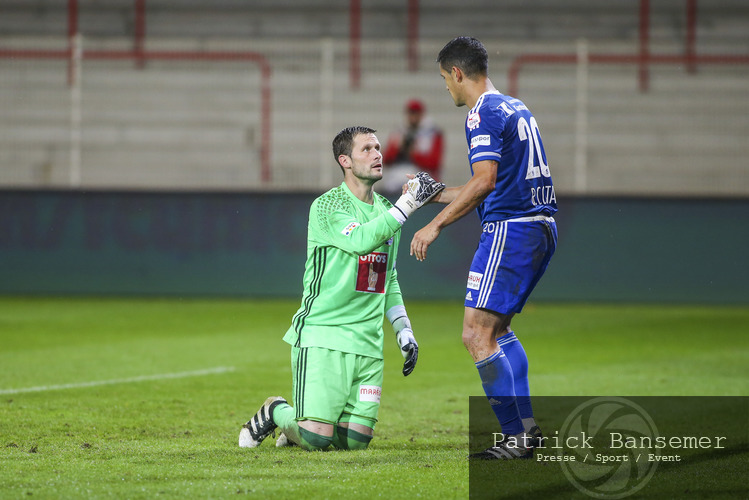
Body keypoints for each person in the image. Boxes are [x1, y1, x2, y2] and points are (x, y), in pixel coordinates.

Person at [238, 126, 444, 452]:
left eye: (378, 147)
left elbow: (386, 276)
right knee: (318, 438)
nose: (377, 154)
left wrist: (403, 329)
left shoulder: (385, 212)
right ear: (344, 160)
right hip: (324, 332)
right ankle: (276, 410)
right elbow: (361, 241)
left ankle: (300, 427)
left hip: (367, 340)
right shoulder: (328, 206)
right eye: (367, 149)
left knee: (355, 442)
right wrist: (407, 204)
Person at [409, 37, 558, 460]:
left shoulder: (481, 113)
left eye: (444, 79)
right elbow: (490, 184)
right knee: (498, 332)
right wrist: (433, 194)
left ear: (457, 73)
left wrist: (433, 225)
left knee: (475, 333)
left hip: (512, 230)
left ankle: (516, 438)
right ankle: (526, 432)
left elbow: (484, 181)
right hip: (539, 225)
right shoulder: (514, 106)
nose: (446, 88)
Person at [381, 99, 444, 194]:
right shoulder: (399, 131)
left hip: (423, 179)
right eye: (411, 113)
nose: (413, 117)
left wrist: (413, 153)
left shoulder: (433, 133)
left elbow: (434, 164)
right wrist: (398, 147)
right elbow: (386, 160)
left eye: (416, 113)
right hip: (397, 180)